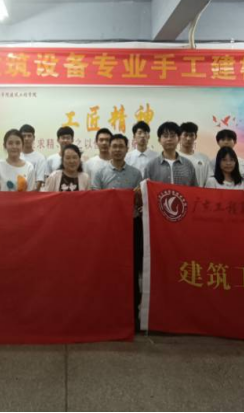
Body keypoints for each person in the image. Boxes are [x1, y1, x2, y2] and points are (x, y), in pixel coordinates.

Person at [90, 134, 143, 330]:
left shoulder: (136, 174)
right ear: (109, 148)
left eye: (121, 146)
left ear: (127, 149)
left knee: (131, 269)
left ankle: (132, 315)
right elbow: (96, 201)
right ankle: (106, 312)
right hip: (108, 228)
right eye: (115, 146)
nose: (118, 149)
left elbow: (140, 200)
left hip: (131, 226)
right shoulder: (100, 173)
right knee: (107, 268)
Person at [144, 121, 198, 187]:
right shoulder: (151, 166)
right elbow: (145, 189)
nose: (169, 139)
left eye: (172, 136)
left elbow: (194, 189)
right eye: (165, 136)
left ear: (179, 139)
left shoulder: (188, 165)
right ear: (159, 140)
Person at [178, 122, 211, 188]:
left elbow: (209, 181)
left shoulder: (204, 158)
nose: (188, 138)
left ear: (195, 137)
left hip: (199, 193)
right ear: (179, 136)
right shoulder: (173, 157)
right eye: (185, 135)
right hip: (179, 193)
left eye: (191, 135)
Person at [20, 124, 47, 190]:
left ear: (33, 137)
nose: (26, 138)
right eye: (24, 136)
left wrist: (32, 194)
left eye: (29, 136)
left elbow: (39, 180)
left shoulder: (40, 157)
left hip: (32, 193)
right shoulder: (15, 156)